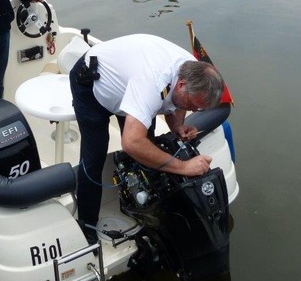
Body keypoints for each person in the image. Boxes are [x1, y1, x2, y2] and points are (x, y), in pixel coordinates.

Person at [69, 34, 225, 243]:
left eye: (198, 108)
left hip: (132, 83)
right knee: (94, 156)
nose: (194, 110)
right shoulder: (153, 81)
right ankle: (87, 225)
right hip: (93, 84)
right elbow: (131, 142)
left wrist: (177, 125)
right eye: (192, 105)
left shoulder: (192, 70)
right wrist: (183, 167)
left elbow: (178, 103)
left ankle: (136, 203)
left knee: (147, 150)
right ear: (181, 85)